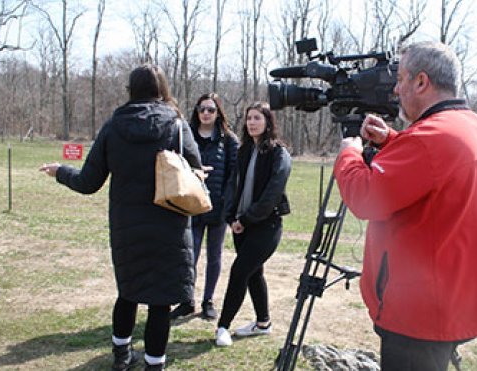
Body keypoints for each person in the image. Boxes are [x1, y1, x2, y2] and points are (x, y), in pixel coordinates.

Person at [333, 41, 477, 370]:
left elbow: (365, 198)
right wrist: (394, 141)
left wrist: (348, 152)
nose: (395, 89)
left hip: (417, 311)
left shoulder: (428, 138)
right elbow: (437, 173)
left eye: (400, 79)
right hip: (449, 299)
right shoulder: (471, 125)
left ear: (421, 82)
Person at [39, 64, 201, 371]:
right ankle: (155, 364)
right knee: (160, 301)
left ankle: (121, 357)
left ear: (131, 89)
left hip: (128, 228)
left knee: (128, 292)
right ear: (162, 89)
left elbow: (89, 182)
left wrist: (61, 171)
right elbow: (195, 167)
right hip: (169, 225)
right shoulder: (177, 125)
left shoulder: (113, 126)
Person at [214, 102, 292, 347]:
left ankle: (223, 326)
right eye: (249, 118)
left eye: (257, 118)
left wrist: (245, 219)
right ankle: (263, 323)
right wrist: (232, 217)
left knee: (240, 271)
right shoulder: (244, 150)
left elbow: (271, 195)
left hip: (266, 226)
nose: (252, 122)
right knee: (253, 273)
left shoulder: (279, 154)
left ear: (268, 122)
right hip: (241, 226)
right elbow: (232, 185)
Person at [170, 93, 239, 320]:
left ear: (218, 112)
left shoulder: (228, 140)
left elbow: (234, 175)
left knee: (214, 255)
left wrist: (228, 204)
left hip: (218, 208)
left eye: (211, 109)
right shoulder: (185, 135)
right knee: (190, 255)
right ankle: (186, 300)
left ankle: (208, 301)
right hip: (191, 205)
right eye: (202, 109)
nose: (206, 113)